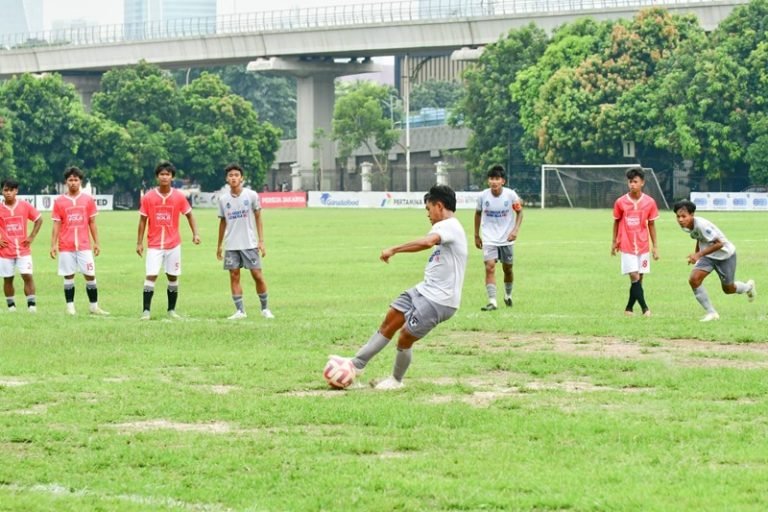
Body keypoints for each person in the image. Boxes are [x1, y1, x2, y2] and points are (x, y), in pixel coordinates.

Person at [334, 184, 468, 390]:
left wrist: (394, 249)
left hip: (439, 300)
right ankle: (356, 364)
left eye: (428, 208)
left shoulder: (449, 226)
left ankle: (396, 380)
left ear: (439, 206)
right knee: (390, 320)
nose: (428, 214)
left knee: (405, 336)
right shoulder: (446, 227)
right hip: (423, 290)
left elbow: (427, 243)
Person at [137, 161, 201, 320]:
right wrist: (139, 242)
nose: (165, 177)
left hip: (173, 244)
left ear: (172, 177)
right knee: (151, 275)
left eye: (168, 174)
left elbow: (189, 215)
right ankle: (146, 311)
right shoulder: (149, 197)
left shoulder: (179, 196)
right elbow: (142, 221)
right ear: (157, 177)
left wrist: (196, 234)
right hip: (154, 245)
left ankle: (171, 310)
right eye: (162, 174)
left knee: (172, 276)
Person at [673, 199, 755, 322]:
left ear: (692, 215)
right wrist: (697, 255)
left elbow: (719, 244)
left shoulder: (702, 225)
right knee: (694, 280)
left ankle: (748, 287)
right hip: (708, 256)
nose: (680, 220)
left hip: (725, 256)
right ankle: (712, 313)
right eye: (678, 216)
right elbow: (699, 238)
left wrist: (699, 254)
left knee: (728, 289)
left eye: (684, 216)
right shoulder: (687, 226)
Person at [216, 163, 274, 320]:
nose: (233, 178)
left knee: (257, 275)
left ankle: (265, 309)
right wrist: (219, 245)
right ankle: (240, 311)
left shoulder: (251, 195)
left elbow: (258, 217)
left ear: (241, 178)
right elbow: (222, 222)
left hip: (249, 243)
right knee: (234, 276)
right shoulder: (223, 199)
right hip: (231, 245)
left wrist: (261, 241)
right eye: (230, 175)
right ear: (227, 179)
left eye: (236, 175)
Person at [49, 167, 109, 315]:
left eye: (76, 180)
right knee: (68, 275)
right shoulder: (59, 201)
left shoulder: (88, 200)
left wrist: (96, 242)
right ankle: (70, 307)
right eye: (70, 180)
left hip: (84, 245)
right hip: (66, 245)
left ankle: (94, 306)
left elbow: (92, 222)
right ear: (66, 182)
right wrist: (53, 245)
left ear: (80, 181)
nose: (73, 183)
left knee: (90, 274)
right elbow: (56, 224)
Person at [611, 167, 659, 317]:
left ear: (642, 183)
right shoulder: (620, 202)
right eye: (630, 182)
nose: (632, 184)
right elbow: (616, 221)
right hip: (626, 245)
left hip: (643, 245)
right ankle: (645, 309)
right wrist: (614, 242)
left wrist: (655, 246)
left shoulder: (650, 202)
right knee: (634, 276)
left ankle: (629, 308)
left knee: (639, 279)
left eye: (635, 182)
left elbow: (651, 224)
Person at [474, 164, 523, 310]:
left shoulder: (510, 195)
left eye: (497, 178)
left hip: (506, 239)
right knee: (489, 267)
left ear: (503, 181)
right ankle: (492, 301)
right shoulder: (483, 196)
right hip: (489, 238)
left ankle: (508, 295)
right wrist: (476, 235)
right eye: (491, 178)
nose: (494, 181)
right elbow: (477, 214)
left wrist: (515, 230)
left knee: (507, 269)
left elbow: (520, 212)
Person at [0, 178, 42, 313]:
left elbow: (39, 219)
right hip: (5, 251)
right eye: (5, 190)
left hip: (23, 250)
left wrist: (31, 237)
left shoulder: (24, 206)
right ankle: (11, 307)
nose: (8, 193)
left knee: (27, 276)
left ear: (16, 191)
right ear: (2, 191)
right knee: (8, 279)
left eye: (11, 190)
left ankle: (31, 306)